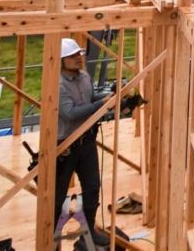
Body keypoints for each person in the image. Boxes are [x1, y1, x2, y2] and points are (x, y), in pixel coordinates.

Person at [56, 37, 110, 247]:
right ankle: (52, 240)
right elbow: (70, 113)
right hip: (65, 146)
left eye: (79, 54)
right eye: (73, 56)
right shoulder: (57, 84)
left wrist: (108, 97)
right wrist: (101, 105)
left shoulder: (85, 77)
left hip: (86, 143)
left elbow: (90, 99)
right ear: (62, 61)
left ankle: (88, 233)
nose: (79, 58)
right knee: (57, 195)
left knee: (92, 188)